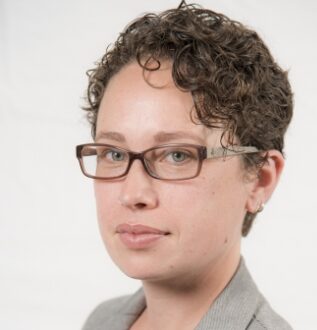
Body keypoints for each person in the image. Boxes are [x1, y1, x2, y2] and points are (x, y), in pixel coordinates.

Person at [76, 1, 293, 329]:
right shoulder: (102, 321)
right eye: (114, 154)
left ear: (260, 179)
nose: (133, 194)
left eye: (177, 155)